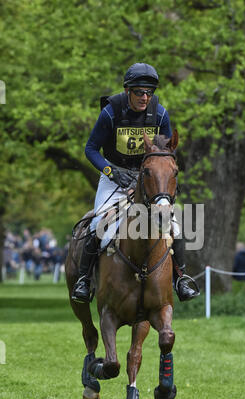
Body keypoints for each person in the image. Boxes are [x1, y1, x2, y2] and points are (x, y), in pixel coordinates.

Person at [72, 63, 199, 304]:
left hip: (147, 179)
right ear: (128, 90)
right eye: (139, 91)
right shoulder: (110, 113)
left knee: (174, 224)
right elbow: (90, 149)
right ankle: (84, 280)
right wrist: (111, 172)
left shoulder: (160, 114)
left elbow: (167, 152)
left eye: (148, 93)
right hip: (113, 176)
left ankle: (181, 279)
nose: (144, 97)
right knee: (99, 222)